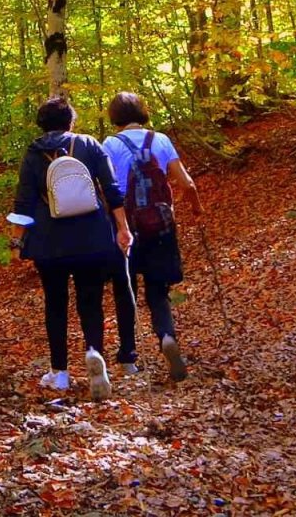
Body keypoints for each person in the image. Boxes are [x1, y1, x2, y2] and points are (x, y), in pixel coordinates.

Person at [10, 97, 133, 402]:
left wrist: (17, 242)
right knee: (90, 302)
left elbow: (23, 200)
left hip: (48, 242)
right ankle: (95, 354)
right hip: (92, 237)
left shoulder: (33, 153)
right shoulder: (89, 145)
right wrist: (122, 227)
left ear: (41, 123)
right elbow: (111, 188)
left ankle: (60, 373)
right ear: (71, 121)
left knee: (55, 304)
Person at [102, 92, 203, 382]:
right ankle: (166, 336)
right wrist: (196, 209)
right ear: (143, 112)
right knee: (158, 291)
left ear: (115, 116)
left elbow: (107, 189)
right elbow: (187, 183)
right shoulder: (160, 140)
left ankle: (129, 358)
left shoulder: (110, 144)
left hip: (125, 226)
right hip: (160, 225)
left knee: (126, 290)